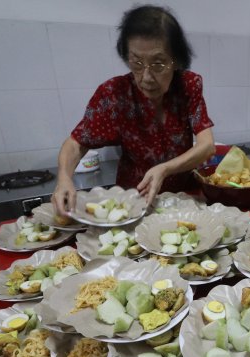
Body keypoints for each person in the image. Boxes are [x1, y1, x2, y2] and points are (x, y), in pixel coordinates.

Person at [52, 5, 215, 212]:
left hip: (184, 200)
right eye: (136, 63)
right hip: (134, 202)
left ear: (176, 61)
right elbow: (75, 143)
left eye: (158, 64)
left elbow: (207, 146)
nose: (146, 77)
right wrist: (64, 178)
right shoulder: (114, 94)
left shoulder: (188, 86)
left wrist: (165, 169)